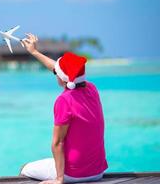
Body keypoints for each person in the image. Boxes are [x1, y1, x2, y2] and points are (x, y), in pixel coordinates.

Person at [20, 34, 108, 184]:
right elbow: (59, 69)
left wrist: (59, 179)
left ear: (61, 79)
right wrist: (34, 52)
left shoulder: (64, 100)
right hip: (97, 172)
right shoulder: (92, 89)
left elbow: (57, 143)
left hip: (73, 174)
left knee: (24, 169)